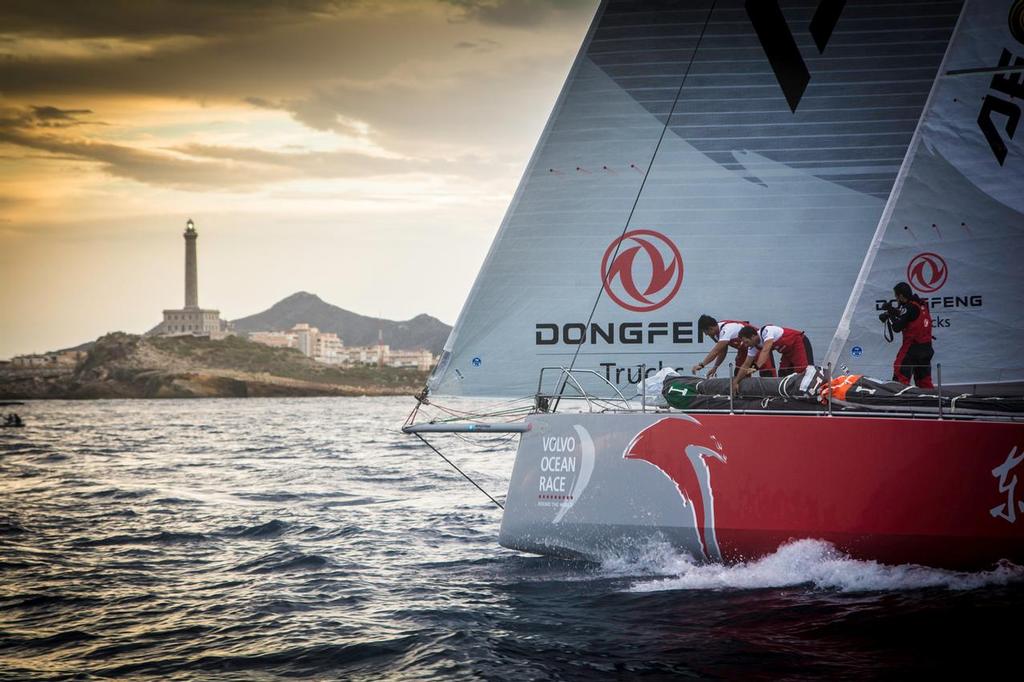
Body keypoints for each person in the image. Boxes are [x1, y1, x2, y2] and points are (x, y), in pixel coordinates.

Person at [879, 281, 934, 388]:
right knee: (924, 380)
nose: (896, 299)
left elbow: (897, 327)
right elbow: (908, 315)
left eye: (896, 296)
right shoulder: (921, 304)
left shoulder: (909, 307)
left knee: (900, 376)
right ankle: (930, 399)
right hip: (927, 348)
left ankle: (899, 399)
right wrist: (892, 310)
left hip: (912, 348)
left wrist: (889, 316)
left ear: (900, 296)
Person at [734, 324, 814, 391]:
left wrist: (756, 367)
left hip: (799, 342)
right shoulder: (753, 347)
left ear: (753, 336)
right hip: (787, 352)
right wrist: (736, 382)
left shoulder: (767, 331)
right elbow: (746, 364)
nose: (746, 345)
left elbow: (765, 350)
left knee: (803, 372)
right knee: (784, 374)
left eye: (746, 342)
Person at [691, 314, 775, 377]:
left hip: (758, 348)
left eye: (706, 332)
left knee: (767, 374)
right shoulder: (717, 335)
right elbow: (722, 352)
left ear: (710, 328)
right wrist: (715, 367)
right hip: (744, 351)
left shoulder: (727, 329)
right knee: (738, 375)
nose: (706, 335)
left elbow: (716, 351)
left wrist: (702, 364)